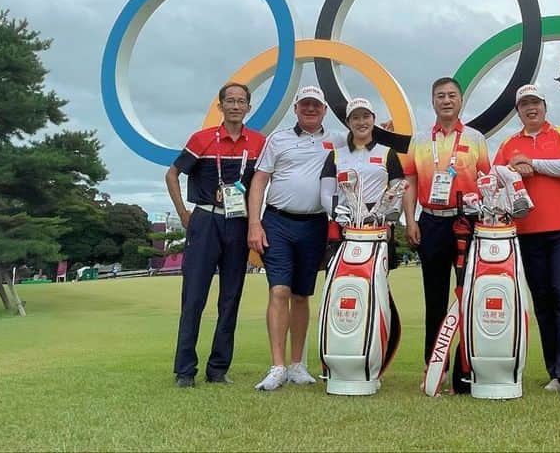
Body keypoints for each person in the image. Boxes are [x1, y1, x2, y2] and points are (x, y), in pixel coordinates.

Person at [165, 82, 265, 388]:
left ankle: (218, 368)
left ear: (249, 107)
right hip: (205, 219)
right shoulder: (202, 139)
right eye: (230, 101)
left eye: (241, 102)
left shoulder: (259, 143)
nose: (235, 106)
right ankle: (185, 370)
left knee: (231, 297)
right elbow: (172, 174)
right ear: (220, 106)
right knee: (194, 296)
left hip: (238, 222)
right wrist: (183, 213)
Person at [248, 85, 346, 391]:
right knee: (279, 291)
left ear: (324, 110)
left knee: (302, 295)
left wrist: (384, 129)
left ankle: (297, 364)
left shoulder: (338, 140)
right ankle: (277, 366)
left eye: (316, 105)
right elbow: (260, 180)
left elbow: (365, 144)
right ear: (296, 108)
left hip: (315, 224)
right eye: (305, 105)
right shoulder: (278, 139)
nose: (310, 109)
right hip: (277, 221)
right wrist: (254, 223)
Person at [493, 84, 560, 399]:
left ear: (544, 107)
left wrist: (534, 165)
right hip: (527, 232)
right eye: (524, 105)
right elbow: (496, 178)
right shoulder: (508, 143)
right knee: (544, 301)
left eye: (535, 103)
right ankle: (557, 372)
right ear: (518, 111)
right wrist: (512, 170)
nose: (530, 109)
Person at [401, 77, 491, 387]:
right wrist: (410, 221)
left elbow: (486, 180)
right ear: (433, 101)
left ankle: (466, 372)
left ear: (461, 100)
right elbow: (410, 181)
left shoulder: (476, 138)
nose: (446, 100)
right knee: (435, 298)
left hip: (467, 222)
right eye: (440, 95)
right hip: (431, 221)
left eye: (452, 95)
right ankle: (435, 369)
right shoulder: (420, 139)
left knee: (468, 297)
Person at [320, 97, 405, 257]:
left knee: (375, 277)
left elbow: (398, 191)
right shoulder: (336, 155)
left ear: (374, 119)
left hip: (378, 225)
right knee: (341, 276)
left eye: (366, 116)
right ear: (348, 122)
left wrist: (388, 223)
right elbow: (326, 193)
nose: (361, 122)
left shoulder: (388, 153)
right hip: (345, 223)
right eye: (355, 117)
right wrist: (342, 220)